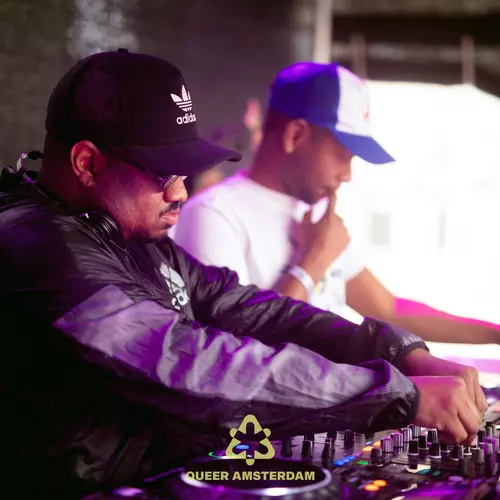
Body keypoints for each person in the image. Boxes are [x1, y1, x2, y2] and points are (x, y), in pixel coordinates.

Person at [0, 50, 487, 498]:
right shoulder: (35, 245)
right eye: (163, 172)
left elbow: (254, 312)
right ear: (87, 163)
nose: (180, 193)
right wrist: (396, 395)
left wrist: (399, 353)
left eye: (185, 173)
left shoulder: (133, 238)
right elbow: (186, 360)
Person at [173, 62, 500, 346]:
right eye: (343, 156)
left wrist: (496, 333)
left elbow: (388, 311)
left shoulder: (315, 214)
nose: (347, 175)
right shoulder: (213, 214)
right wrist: (312, 262)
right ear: (296, 135)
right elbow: (231, 351)